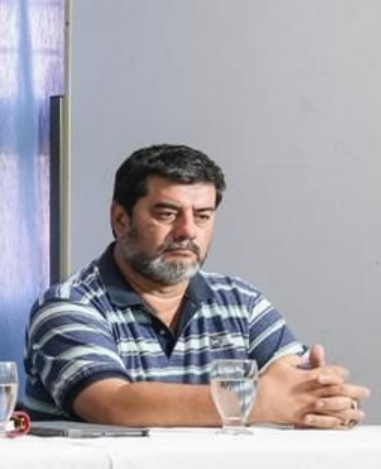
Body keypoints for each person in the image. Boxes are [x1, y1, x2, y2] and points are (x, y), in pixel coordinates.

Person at [25, 143, 366, 427]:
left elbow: (293, 388)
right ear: (120, 218)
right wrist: (258, 401)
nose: (188, 231)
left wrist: (324, 401)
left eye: (202, 216)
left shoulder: (241, 302)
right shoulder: (68, 305)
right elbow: (113, 404)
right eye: (167, 214)